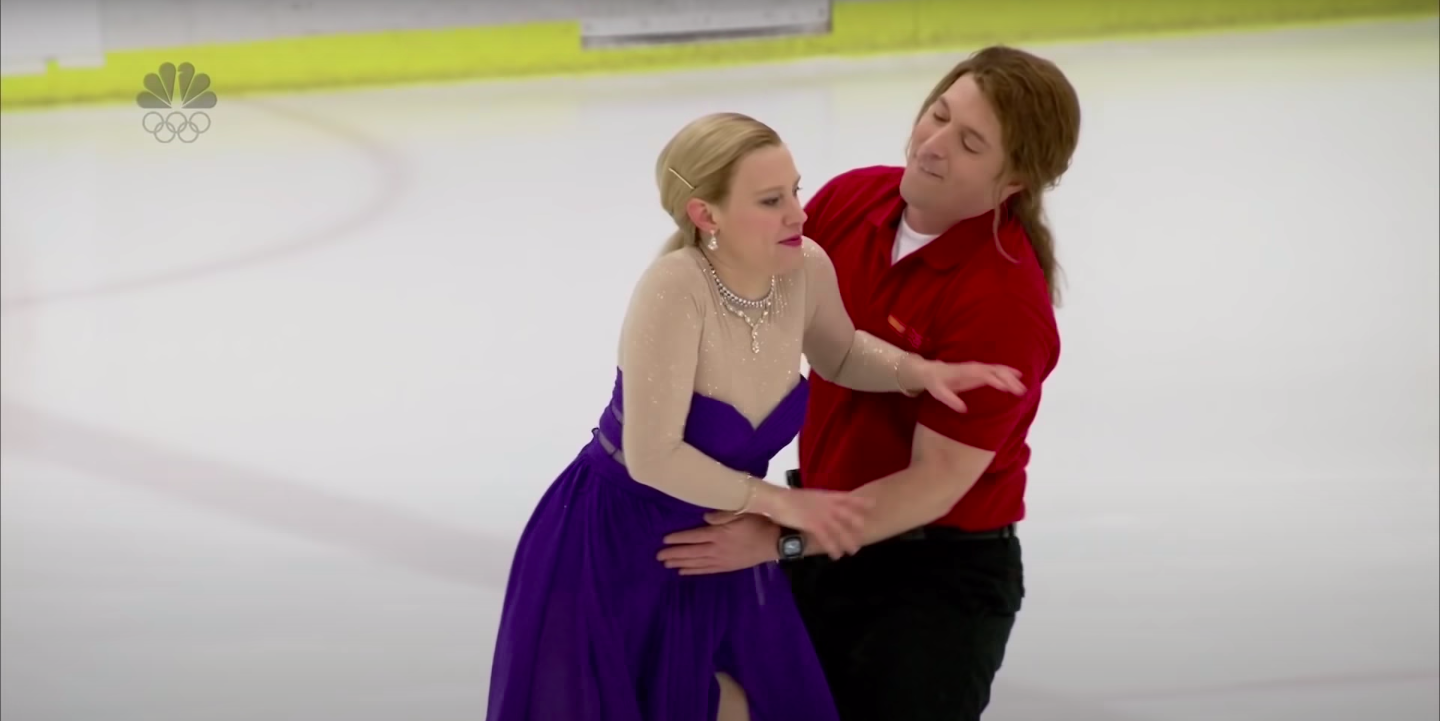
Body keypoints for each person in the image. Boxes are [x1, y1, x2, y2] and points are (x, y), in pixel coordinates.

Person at [485, 111, 1030, 721]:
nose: (799, 212)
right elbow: (653, 455)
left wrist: (919, 374)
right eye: (772, 200)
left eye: (795, 189)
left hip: (730, 542)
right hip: (621, 542)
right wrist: (781, 504)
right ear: (706, 215)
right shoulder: (674, 290)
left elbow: (842, 352)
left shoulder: (806, 268)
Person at [656, 46, 1083, 720]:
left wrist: (781, 538)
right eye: (937, 115)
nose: (933, 146)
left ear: (1014, 182)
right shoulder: (855, 199)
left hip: (931, 583)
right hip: (821, 536)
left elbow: (931, 483)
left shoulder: (1003, 305)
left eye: (969, 143)